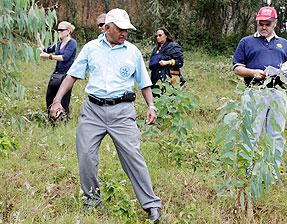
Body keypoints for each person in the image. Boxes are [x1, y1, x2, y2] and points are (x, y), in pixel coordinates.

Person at [49, 8, 161, 223]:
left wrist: (151, 106)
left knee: (133, 157)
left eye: (127, 30)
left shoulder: (132, 51)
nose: (124, 33)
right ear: (107, 27)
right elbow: (72, 75)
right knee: (86, 157)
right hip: (93, 111)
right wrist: (57, 101)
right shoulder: (91, 48)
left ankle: (151, 205)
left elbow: (144, 81)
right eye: (120, 29)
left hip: (122, 111)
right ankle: (92, 200)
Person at [232, 6, 287, 172]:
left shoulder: (283, 43)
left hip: (278, 93)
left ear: (275, 23)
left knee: (276, 134)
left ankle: (272, 171)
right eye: (260, 23)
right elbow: (236, 67)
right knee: (251, 132)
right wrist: (253, 72)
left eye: (267, 24)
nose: (263, 27)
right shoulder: (246, 42)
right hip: (255, 92)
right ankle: (248, 171)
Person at [37, 21, 77, 116]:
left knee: (64, 99)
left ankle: (64, 119)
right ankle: (52, 118)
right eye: (58, 30)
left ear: (68, 31)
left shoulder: (72, 43)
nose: (59, 32)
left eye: (61, 30)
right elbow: (45, 49)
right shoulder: (58, 43)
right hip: (56, 74)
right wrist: (38, 38)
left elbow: (64, 57)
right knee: (50, 97)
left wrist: (49, 56)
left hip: (66, 76)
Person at [149, 27, 184, 95]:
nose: (158, 37)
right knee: (158, 101)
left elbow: (180, 62)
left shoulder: (173, 46)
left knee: (171, 98)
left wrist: (167, 62)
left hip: (171, 77)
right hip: (156, 79)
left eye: (160, 35)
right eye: (156, 36)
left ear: (166, 35)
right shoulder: (155, 49)